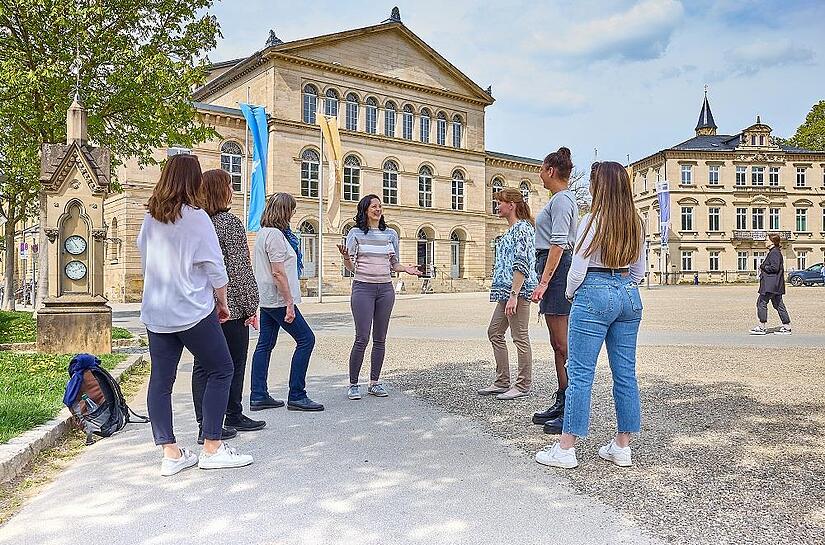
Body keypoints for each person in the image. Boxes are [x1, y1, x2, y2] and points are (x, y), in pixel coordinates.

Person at [138, 154, 253, 476]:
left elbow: (144, 255)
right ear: (193, 180)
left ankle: (171, 453)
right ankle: (212, 447)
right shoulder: (197, 217)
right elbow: (215, 266)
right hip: (191, 308)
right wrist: (223, 302)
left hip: (156, 310)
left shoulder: (150, 217)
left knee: (161, 380)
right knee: (221, 369)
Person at [535, 161, 645, 469]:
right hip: (627, 291)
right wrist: (622, 284)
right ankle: (622, 446)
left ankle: (566, 448)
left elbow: (577, 268)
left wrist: (572, 294)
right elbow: (640, 269)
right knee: (625, 373)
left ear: (600, 187)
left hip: (593, 289)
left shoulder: (592, 220)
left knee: (581, 372)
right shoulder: (636, 222)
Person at [191, 169, 265, 445]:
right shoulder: (229, 222)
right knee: (233, 362)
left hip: (202, 304)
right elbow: (238, 267)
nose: (233, 190)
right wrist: (250, 304)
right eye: (230, 186)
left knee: (203, 365)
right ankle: (231, 414)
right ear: (220, 191)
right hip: (230, 304)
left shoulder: (197, 222)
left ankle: (206, 422)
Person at [337, 194, 422, 400]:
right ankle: (353, 384)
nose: (378, 209)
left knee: (380, 338)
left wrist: (406, 269)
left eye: (380, 206)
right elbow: (351, 267)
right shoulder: (355, 233)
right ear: (365, 210)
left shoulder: (390, 234)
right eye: (374, 206)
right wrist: (346, 257)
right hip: (363, 288)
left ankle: (374, 382)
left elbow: (394, 264)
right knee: (362, 337)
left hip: (385, 290)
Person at [250, 193, 324, 412]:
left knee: (265, 344)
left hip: (268, 298)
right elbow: (278, 272)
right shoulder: (275, 235)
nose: (293, 213)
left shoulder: (264, 233)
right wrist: (289, 302)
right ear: (284, 211)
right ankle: (297, 394)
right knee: (306, 339)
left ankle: (258, 394)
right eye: (291, 209)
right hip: (279, 299)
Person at [529, 147, 578, 433]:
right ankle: (563, 399)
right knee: (557, 343)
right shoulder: (559, 199)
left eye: (541, 169)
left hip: (556, 269)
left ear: (550, 170)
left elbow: (559, 243)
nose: (539, 174)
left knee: (562, 344)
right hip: (552, 266)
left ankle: (571, 405)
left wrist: (544, 281)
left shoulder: (561, 200)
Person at [478, 187, 538, 400]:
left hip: (517, 292)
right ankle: (502, 381)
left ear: (511, 205)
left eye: (500, 202)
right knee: (494, 332)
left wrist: (514, 294)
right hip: (507, 292)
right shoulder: (511, 230)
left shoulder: (523, 228)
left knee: (520, 336)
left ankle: (523, 385)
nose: (497, 206)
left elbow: (522, 262)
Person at [750, 234, 792, 335]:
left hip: (771, 284)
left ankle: (762, 327)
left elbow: (774, 268)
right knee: (778, 304)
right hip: (775, 284)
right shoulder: (775, 252)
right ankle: (787, 326)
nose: (765, 241)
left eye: (766, 240)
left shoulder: (774, 253)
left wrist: (763, 267)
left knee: (761, 303)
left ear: (772, 241)